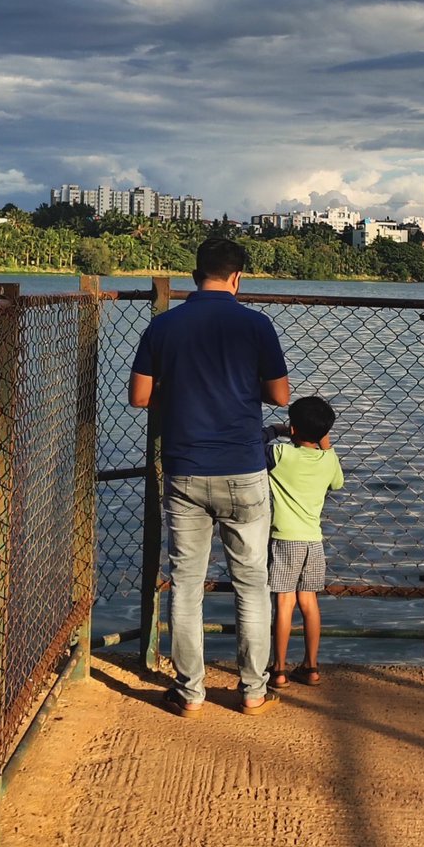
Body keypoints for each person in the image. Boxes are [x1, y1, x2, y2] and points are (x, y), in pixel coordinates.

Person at [128, 238, 290, 717]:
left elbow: (139, 397)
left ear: (196, 274)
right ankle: (254, 691)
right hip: (243, 470)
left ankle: (190, 691)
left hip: (185, 470)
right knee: (252, 585)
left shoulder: (164, 325)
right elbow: (280, 397)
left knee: (186, 584)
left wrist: (178, 398)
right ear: (237, 277)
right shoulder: (256, 325)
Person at [264, 395, 344, 688]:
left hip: (285, 538)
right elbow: (337, 483)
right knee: (309, 603)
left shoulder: (281, 455)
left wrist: (277, 430)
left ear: (293, 429)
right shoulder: (328, 459)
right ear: (324, 432)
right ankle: (311, 667)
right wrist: (324, 441)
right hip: (314, 542)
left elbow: (252, 443)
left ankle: (279, 669)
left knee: (284, 603)